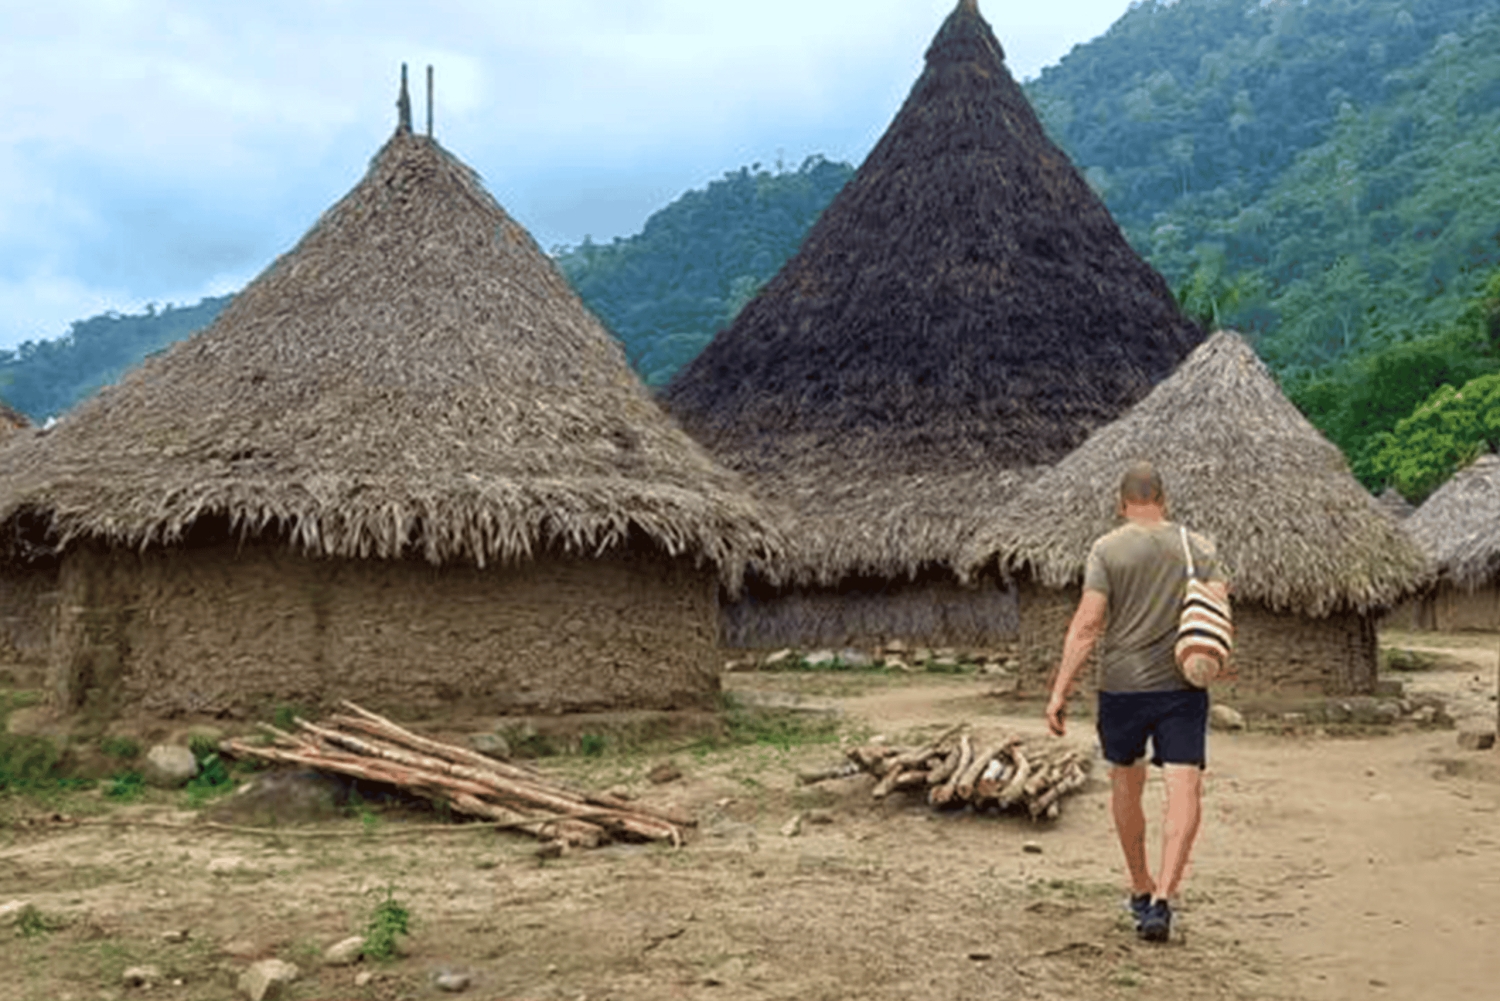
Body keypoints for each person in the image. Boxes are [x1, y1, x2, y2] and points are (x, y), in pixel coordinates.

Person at [1044, 461, 1229, 943]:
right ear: (1163, 499)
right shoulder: (1200, 547)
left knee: (1126, 787)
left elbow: (1087, 626)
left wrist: (1061, 689)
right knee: (1184, 790)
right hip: (1183, 688)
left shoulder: (1106, 549)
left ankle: (1140, 886)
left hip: (1122, 687)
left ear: (1121, 502)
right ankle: (1165, 896)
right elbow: (1219, 614)